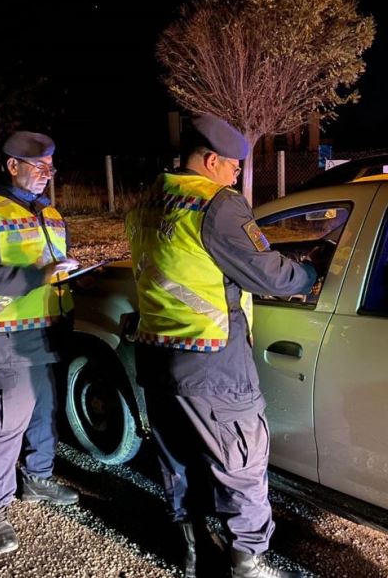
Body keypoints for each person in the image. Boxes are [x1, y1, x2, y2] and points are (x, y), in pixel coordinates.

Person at [126, 114, 318, 578]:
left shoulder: (149, 198)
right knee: (241, 461)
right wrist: (310, 273)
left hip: (156, 353)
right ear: (211, 160)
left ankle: (192, 552)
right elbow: (267, 274)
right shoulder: (217, 204)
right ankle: (247, 563)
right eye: (233, 166)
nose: (236, 174)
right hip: (211, 360)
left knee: (178, 458)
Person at [0, 131, 80, 554]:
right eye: (39, 167)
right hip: (9, 336)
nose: (47, 175)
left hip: (48, 330)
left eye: (50, 167)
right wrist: (38, 277)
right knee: (8, 423)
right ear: (12, 165)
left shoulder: (52, 213)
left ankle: (37, 479)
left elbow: (52, 269)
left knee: (45, 412)